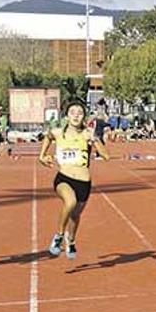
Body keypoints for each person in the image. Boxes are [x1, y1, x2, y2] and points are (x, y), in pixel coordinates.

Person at [39, 101, 110, 260]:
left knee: (75, 216)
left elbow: (106, 156)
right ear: (67, 115)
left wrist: (95, 139)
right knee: (69, 202)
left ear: (84, 116)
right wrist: (42, 156)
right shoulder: (58, 132)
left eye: (80, 112)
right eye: (72, 112)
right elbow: (48, 136)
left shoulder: (87, 134)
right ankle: (58, 236)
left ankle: (70, 240)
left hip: (84, 182)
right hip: (64, 178)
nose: (76, 115)